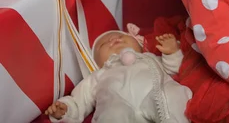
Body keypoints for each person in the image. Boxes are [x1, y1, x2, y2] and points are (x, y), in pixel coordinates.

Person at [44, 24, 192, 123]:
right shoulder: (98, 76)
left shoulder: (152, 59)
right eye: (103, 45)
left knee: (173, 96)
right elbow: (79, 101)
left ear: (140, 45)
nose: (113, 39)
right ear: (96, 63)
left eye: (122, 37)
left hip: (157, 94)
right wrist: (66, 109)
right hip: (117, 108)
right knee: (111, 115)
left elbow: (178, 70)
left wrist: (172, 53)